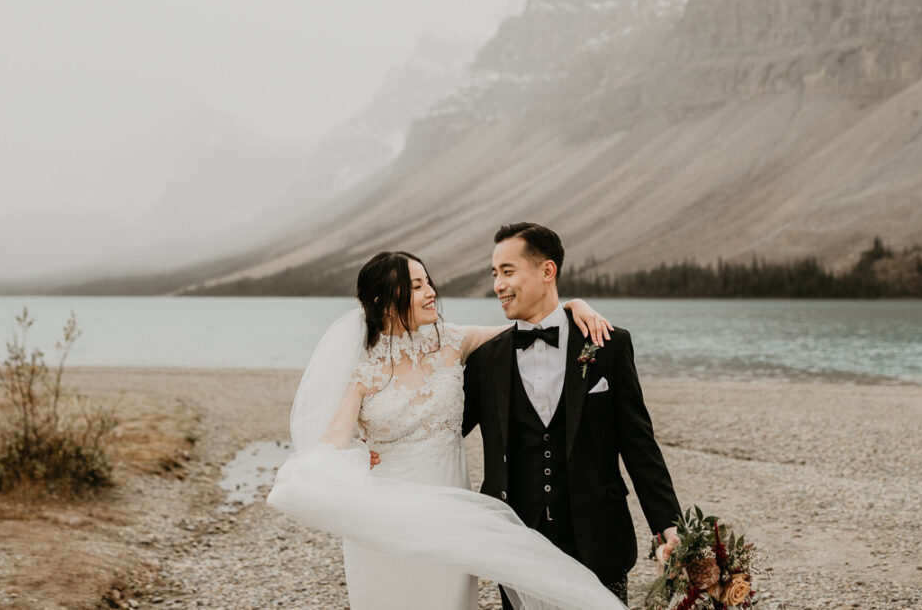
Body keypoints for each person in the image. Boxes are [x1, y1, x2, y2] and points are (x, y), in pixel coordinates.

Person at [267, 250, 629, 610]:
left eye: (428, 282)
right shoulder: (363, 370)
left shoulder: (453, 341)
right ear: (383, 301)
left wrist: (573, 306)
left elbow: (527, 329)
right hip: (384, 520)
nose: (430, 293)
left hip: (452, 517)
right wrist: (336, 468)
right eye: (416, 286)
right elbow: (335, 439)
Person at [464, 222, 682, 608]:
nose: (497, 284)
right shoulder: (485, 359)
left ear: (547, 271)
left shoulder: (607, 345)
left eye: (508, 271)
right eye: (494, 274)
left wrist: (669, 526)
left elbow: (638, 443)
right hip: (518, 543)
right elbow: (444, 429)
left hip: (599, 541)